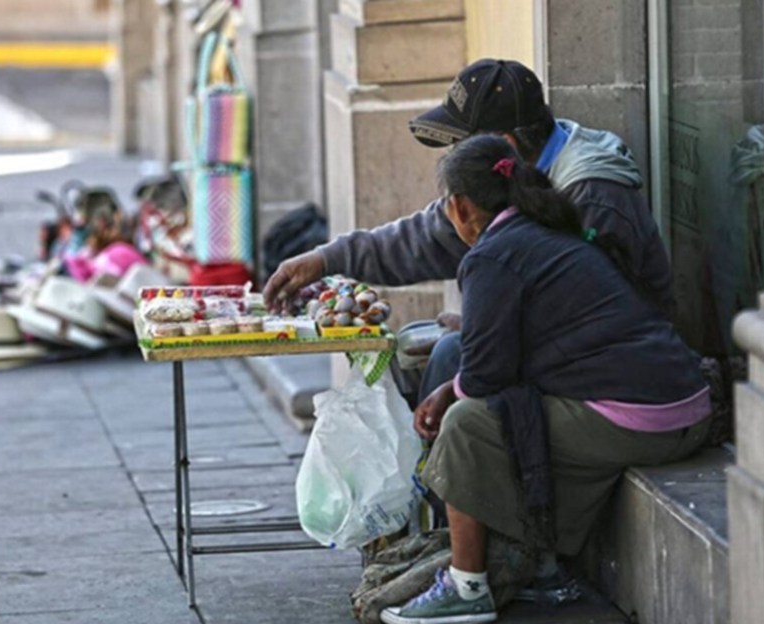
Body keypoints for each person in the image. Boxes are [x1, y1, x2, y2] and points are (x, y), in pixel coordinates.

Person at [377, 135, 710, 624]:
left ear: (460, 207)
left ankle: (467, 587)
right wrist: (455, 384)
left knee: (467, 424)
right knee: (510, 407)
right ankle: (540, 564)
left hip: (644, 419)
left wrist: (449, 393)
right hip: (686, 406)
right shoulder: (549, 230)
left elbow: (484, 378)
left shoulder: (492, 256)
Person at [262, 59, 674, 401]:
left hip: (619, 372)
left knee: (450, 360)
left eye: (460, 145)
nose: (453, 156)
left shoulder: (594, 195)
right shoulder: (505, 177)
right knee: (413, 348)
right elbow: (426, 236)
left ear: (504, 144)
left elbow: (600, 316)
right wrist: (326, 259)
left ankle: (443, 476)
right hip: (559, 344)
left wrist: (493, 330)